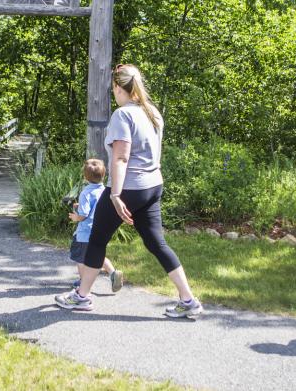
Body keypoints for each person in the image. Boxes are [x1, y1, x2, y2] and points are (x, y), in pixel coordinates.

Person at [55, 64, 202, 317]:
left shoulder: (123, 115)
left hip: (128, 189)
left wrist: (114, 195)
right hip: (153, 186)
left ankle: (81, 297)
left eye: (113, 88)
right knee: (157, 243)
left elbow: (121, 159)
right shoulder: (153, 112)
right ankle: (188, 301)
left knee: (97, 240)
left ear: (117, 88)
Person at [68, 158, 124, 293]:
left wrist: (76, 217)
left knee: (81, 259)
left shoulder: (86, 192)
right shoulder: (105, 191)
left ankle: (83, 284)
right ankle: (113, 273)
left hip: (85, 232)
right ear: (104, 175)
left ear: (85, 177)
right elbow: (95, 207)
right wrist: (80, 206)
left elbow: (84, 214)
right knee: (97, 254)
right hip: (98, 229)